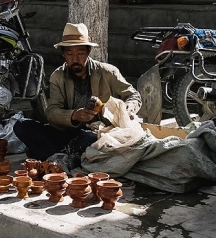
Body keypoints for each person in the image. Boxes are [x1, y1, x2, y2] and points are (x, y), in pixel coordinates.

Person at [13, 22, 142, 163]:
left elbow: (134, 96)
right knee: (21, 125)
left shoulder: (108, 72)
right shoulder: (58, 76)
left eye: (80, 53)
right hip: (67, 132)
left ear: (88, 52)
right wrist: (74, 115)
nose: (75, 59)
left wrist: (126, 110)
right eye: (69, 54)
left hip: (97, 133)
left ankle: (54, 156)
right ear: (63, 54)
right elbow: (52, 112)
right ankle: (62, 157)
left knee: (88, 138)